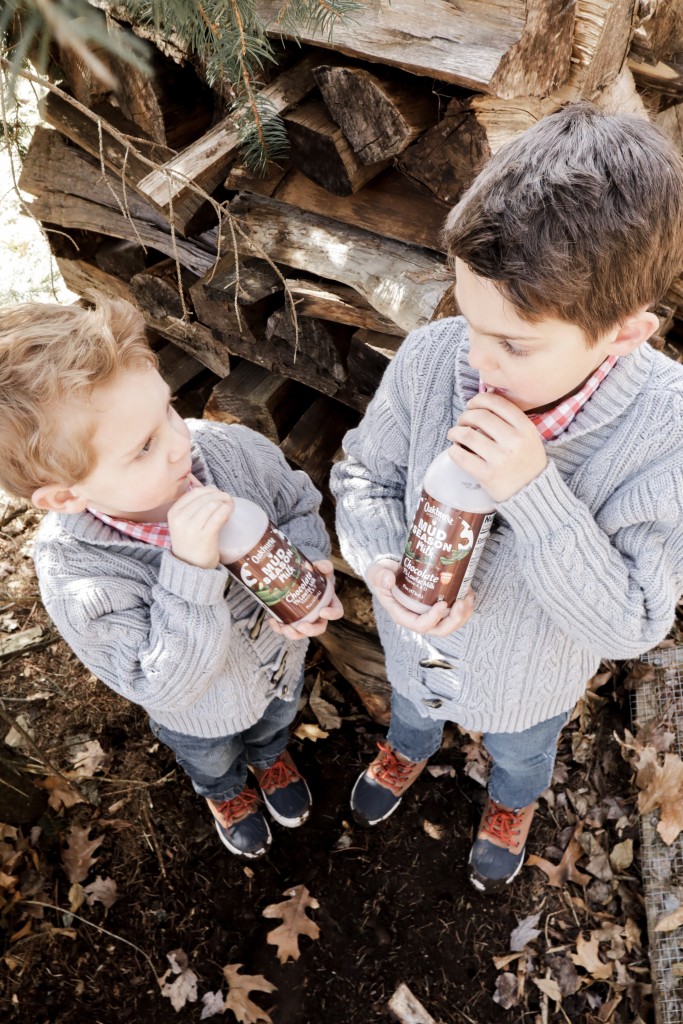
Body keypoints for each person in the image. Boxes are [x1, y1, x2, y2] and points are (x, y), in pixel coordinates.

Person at [330, 103, 683, 894]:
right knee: (413, 709)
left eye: (515, 345)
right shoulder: (431, 360)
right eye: (468, 316)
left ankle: (510, 802)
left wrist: (532, 491)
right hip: (413, 647)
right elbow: (363, 476)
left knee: (522, 750)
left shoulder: (665, 431)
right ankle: (408, 748)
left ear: (625, 333)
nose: (479, 360)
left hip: (531, 682)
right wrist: (381, 557)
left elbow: (629, 621)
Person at [0, 296, 342, 859]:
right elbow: (160, 683)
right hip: (200, 715)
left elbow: (295, 506)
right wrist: (189, 571)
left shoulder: (229, 451)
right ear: (66, 496)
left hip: (280, 669)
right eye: (144, 448)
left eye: (168, 411)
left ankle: (270, 757)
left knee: (274, 721)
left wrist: (309, 561)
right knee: (211, 756)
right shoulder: (78, 574)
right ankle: (225, 791)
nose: (181, 443)